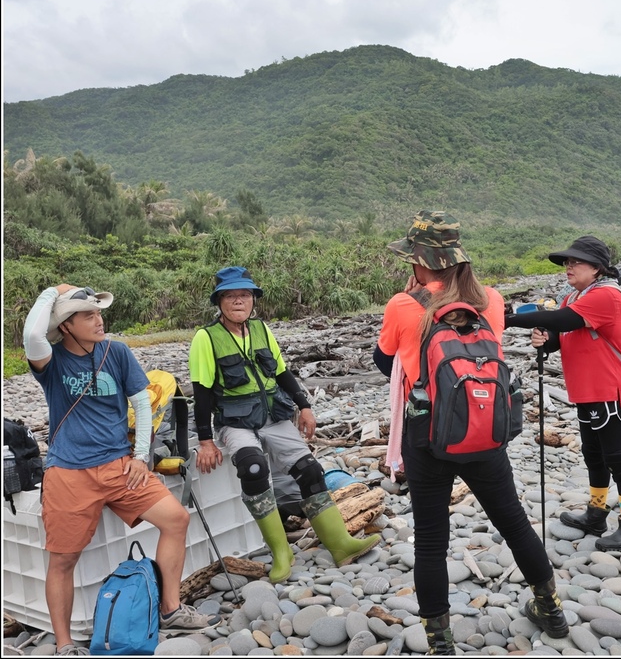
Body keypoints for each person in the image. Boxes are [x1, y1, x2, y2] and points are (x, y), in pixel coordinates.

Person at [373, 211, 568, 654]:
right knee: (514, 522)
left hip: (428, 437)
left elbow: (387, 363)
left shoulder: (404, 305)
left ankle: (441, 641)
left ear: (420, 262)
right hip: (483, 430)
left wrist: (412, 307)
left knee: (431, 539)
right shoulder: (491, 300)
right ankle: (551, 609)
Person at [23, 284, 216, 656]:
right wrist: (50, 291)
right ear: (65, 326)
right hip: (69, 472)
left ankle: (170, 609)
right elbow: (32, 333)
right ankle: (65, 645)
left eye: (99, 313)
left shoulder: (118, 352)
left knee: (176, 519)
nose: (99, 321)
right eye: (88, 315)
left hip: (119, 466)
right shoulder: (51, 362)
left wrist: (141, 457)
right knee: (63, 560)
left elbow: (142, 405)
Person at [190, 267, 379, 584]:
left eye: (245, 295)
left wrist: (304, 406)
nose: (239, 301)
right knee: (252, 468)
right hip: (235, 419)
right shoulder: (205, 338)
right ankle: (281, 553)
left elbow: (281, 373)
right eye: (231, 295)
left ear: (253, 301)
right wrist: (206, 440)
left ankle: (340, 544)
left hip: (273, 414)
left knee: (310, 470)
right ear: (220, 301)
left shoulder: (261, 330)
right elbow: (202, 392)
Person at [504, 235, 621, 552]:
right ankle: (596, 513)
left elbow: (562, 320)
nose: (568, 266)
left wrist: (510, 319)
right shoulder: (574, 298)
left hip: (613, 391)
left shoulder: (606, 296)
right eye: (567, 261)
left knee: (618, 458)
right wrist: (545, 339)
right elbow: (561, 335)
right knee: (593, 455)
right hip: (587, 392)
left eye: (575, 261)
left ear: (596, 268)